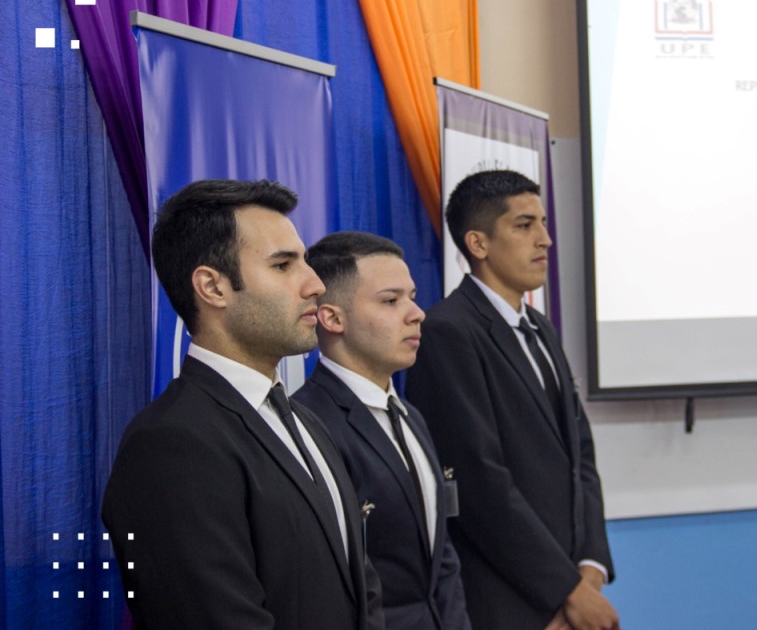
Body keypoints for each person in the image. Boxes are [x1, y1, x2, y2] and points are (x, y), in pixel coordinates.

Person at [101, 179, 384, 629]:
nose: (314, 284)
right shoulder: (170, 445)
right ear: (212, 287)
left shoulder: (306, 422)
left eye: (305, 261)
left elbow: (361, 591)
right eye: (283, 265)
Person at [406, 170, 619, 630]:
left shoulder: (540, 327)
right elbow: (480, 482)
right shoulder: (448, 332)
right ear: (478, 244)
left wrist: (591, 570)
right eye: (524, 226)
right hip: (505, 598)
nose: (544, 239)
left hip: (573, 589)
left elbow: (579, 455)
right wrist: (564, 591)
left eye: (542, 223)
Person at [293, 231, 471, 630]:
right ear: (332, 317)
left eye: (411, 297)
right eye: (391, 301)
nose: (416, 313)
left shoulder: (410, 415)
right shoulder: (309, 424)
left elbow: (443, 559)